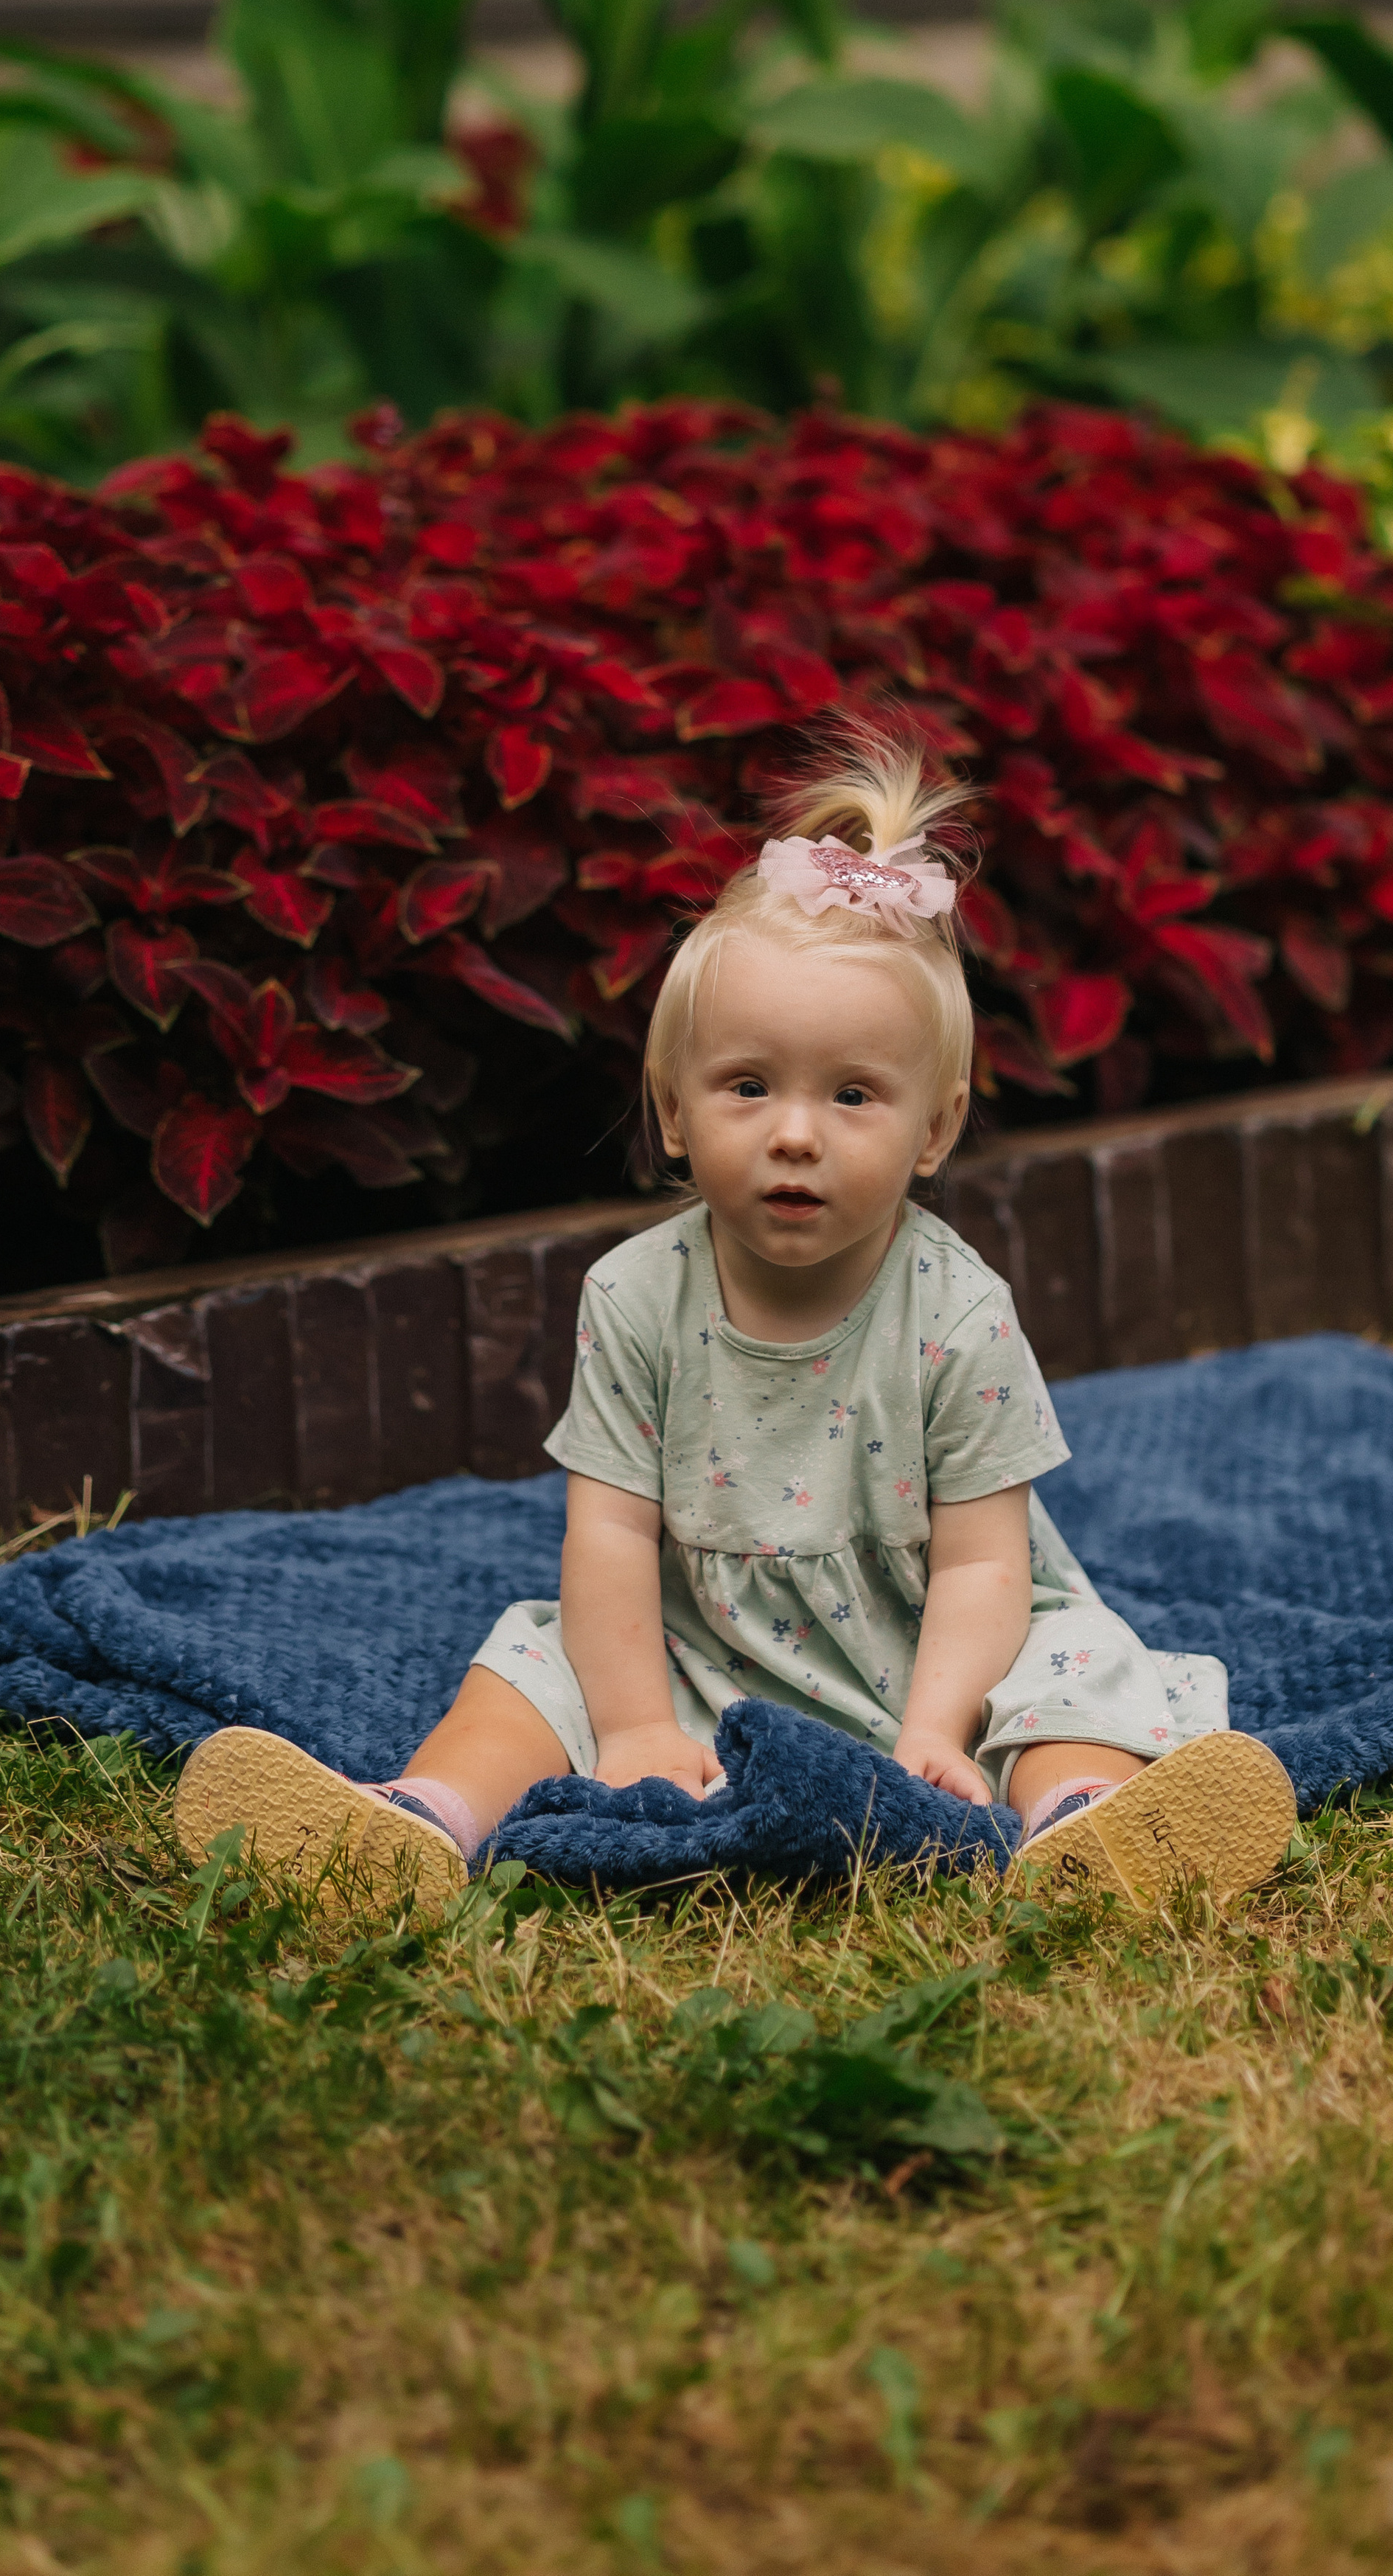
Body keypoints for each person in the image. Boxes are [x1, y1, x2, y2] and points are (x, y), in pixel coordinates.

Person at [175, 738, 1294, 1910]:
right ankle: (415, 1821)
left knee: (1077, 1669)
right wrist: (639, 1725)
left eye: (852, 1094)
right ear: (673, 1108)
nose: (795, 1134)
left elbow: (982, 1561)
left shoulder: (956, 1310)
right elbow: (609, 1536)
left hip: (934, 1645)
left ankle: (1088, 1821)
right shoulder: (637, 1294)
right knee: (528, 1660)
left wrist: (934, 1729)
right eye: (749, 1086)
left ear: (935, 1129)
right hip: (705, 1641)